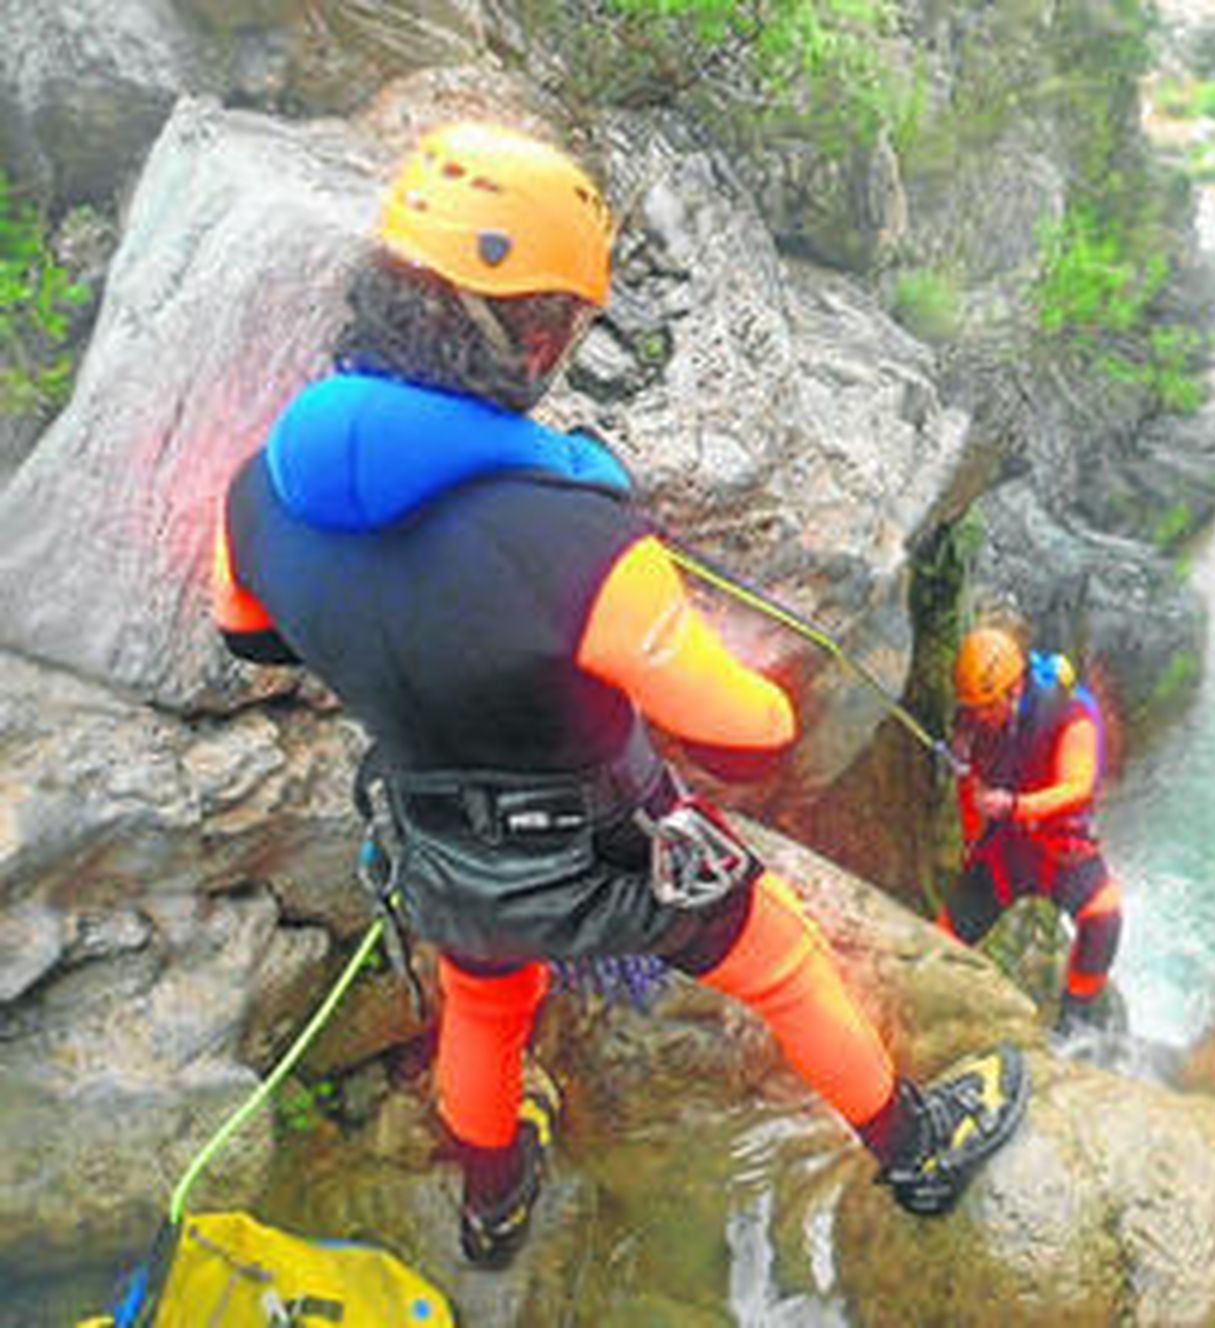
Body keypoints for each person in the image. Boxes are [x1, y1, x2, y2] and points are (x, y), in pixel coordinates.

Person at [211, 122, 1027, 1267]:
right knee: (781, 952)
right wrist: (722, 659)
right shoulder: (574, 536)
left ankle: (490, 1201)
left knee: (486, 1002)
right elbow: (746, 729)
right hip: (607, 844)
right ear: (530, 333)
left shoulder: (257, 492)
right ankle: (915, 1147)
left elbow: (249, 637)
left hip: (441, 837)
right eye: (564, 322)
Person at [940, 625, 1124, 1036]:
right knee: (945, 935)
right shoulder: (973, 725)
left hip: (1060, 848)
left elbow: (1076, 788)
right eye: (975, 707)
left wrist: (1016, 805)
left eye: (988, 706)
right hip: (1008, 850)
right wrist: (973, 828)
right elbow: (967, 786)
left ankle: (1076, 1025)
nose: (981, 716)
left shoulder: (1068, 713)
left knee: (1104, 919)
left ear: (1015, 687)